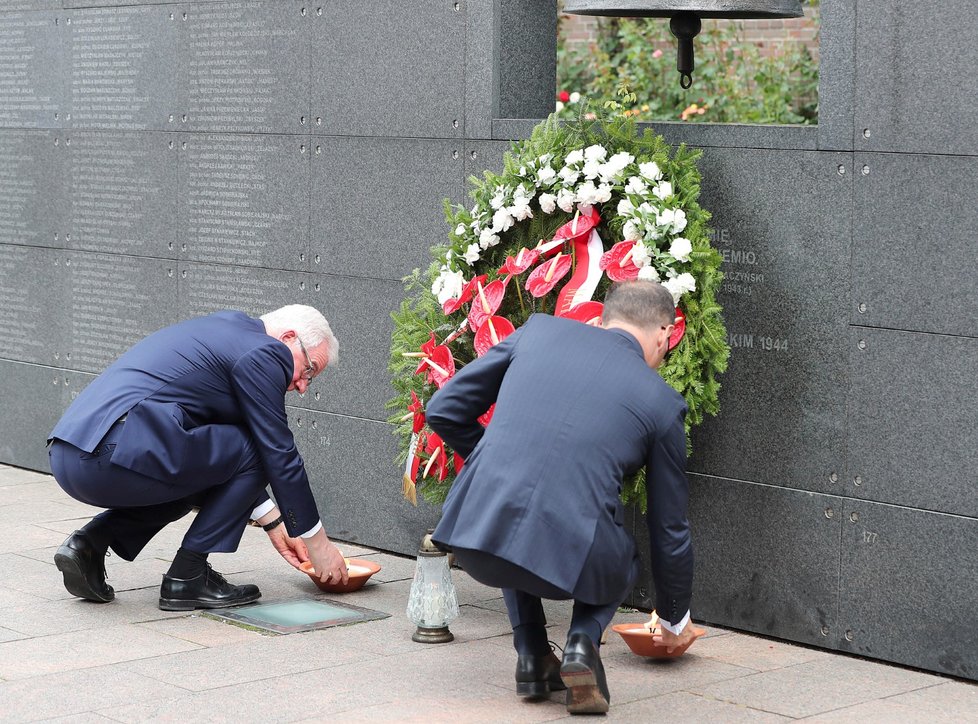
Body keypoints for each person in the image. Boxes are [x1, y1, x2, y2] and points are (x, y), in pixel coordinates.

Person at [425, 280, 697, 715]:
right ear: (664, 333)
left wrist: (494, 470)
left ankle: (533, 656)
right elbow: (668, 528)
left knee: (519, 523)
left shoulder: (538, 331)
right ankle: (581, 645)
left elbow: (441, 410)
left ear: (607, 319)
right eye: (668, 343)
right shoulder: (661, 403)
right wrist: (673, 619)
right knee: (624, 553)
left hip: (475, 538)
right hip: (577, 560)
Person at [47, 305, 351, 611]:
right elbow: (277, 452)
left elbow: (221, 462)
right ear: (288, 338)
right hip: (116, 450)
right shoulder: (265, 352)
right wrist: (318, 544)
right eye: (309, 370)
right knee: (261, 445)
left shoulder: (228, 333)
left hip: (73, 454)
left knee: (201, 468)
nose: (301, 386)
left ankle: (90, 544)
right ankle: (188, 575)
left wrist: (273, 523)